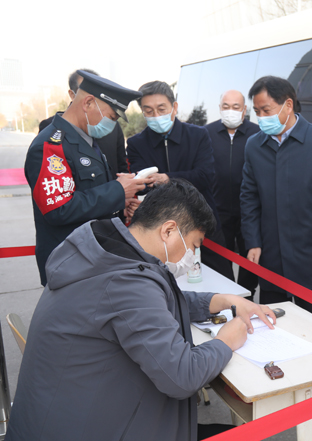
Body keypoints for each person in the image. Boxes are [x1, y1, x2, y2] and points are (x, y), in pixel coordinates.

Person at [0, 179, 276, 441]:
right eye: (193, 245)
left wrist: (221, 300)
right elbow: (182, 376)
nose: (191, 256)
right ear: (168, 231)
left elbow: (154, 304)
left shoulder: (105, 253)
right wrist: (225, 342)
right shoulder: (128, 283)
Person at [25, 70, 145, 286]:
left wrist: (121, 200)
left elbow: (89, 191)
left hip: (93, 258)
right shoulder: (50, 146)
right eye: (111, 117)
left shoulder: (86, 138)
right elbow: (58, 209)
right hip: (69, 265)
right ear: (88, 103)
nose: (112, 125)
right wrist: (117, 191)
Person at [240, 76, 312, 325]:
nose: (261, 117)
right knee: (275, 329)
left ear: (288, 105)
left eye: (266, 110)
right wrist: (253, 241)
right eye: (257, 112)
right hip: (271, 256)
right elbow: (249, 198)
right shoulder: (254, 146)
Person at [127, 81, 234, 280]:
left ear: (174, 107)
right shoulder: (136, 144)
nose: (156, 115)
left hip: (203, 220)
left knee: (221, 278)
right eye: (148, 111)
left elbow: (205, 175)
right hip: (162, 228)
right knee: (168, 282)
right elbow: (141, 185)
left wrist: (167, 178)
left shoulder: (198, 135)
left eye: (161, 109)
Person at [206, 90, 261, 297]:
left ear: (244, 109)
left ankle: (247, 295)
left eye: (236, 107)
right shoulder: (207, 133)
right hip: (217, 210)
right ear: (220, 108)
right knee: (219, 259)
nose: (231, 111)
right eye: (226, 106)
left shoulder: (257, 133)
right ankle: (225, 298)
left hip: (250, 211)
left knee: (251, 257)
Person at [39, 68, 128, 178]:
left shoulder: (110, 125)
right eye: (86, 92)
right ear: (72, 95)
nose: (93, 100)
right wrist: (117, 187)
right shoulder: (50, 129)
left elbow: (121, 166)